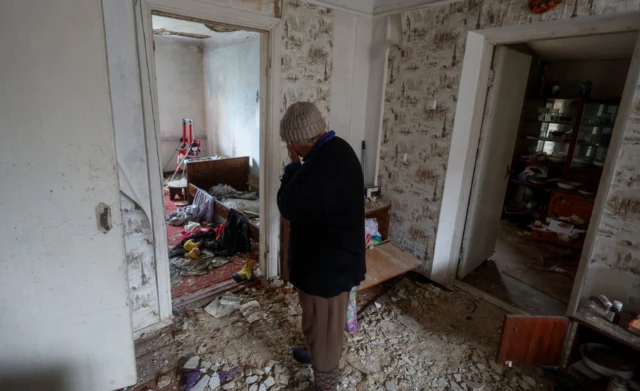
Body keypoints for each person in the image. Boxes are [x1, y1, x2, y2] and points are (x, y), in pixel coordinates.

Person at [277, 102, 366, 391]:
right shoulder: (338, 148)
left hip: (328, 268)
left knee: (325, 328)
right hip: (332, 261)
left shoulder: (322, 166)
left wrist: (292, 166)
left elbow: (288, 204)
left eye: (292, 144)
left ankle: (325, 381)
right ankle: (318, 358)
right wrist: (298, 166)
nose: (292, 149)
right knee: (318, 324)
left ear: (304, 140)